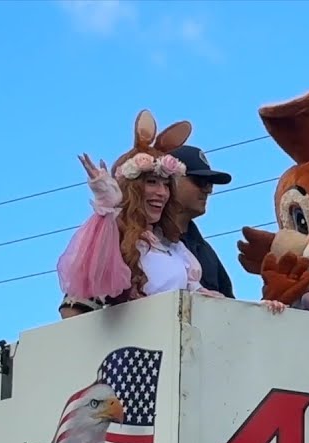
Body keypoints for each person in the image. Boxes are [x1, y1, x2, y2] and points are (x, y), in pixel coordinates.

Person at [56, 110, 225, 318]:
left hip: (177, 344)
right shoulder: (114, 239)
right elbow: (74, 309)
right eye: (151, 182)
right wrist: (106, 211)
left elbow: (205, 301)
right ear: (131, 189)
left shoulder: (173, 246)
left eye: (166, 184)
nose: (161, 192)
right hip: (134, 349)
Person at [168, 145, 236, 298]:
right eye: (200, 181)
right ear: (171, 181)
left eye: (210, 183)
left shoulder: (206, 252)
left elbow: (229, 307)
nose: (208, 190)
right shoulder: (144, 239)